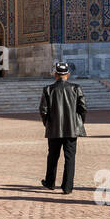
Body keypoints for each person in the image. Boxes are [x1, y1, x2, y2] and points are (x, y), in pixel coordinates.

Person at [39, 62, 87, 194]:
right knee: (70, 158)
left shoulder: (48, 89)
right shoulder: (76, 88)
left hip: (54, 129)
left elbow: (43, 110)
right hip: (71, 129)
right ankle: (67, 187)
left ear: (56, 75)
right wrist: (78, 123)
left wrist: (47, 123)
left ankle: (50, 182)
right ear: (68, 74)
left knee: (53, 156)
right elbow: (83, 108)